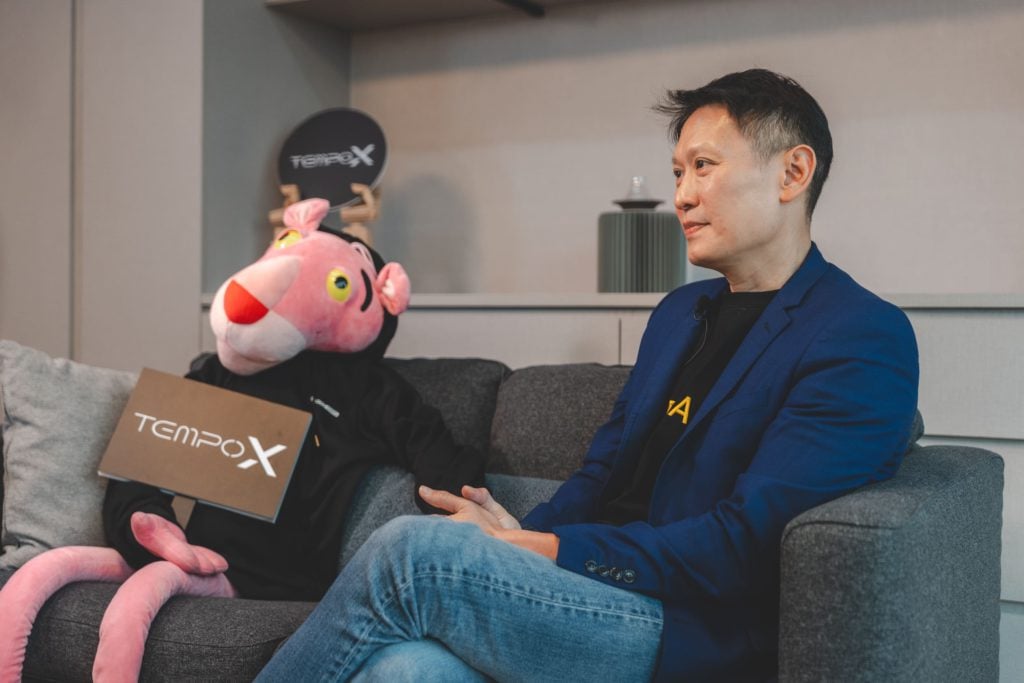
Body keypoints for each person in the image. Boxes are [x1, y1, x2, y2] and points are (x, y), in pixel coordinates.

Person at [254, 68, 919, 682]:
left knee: (409, 552)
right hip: (592, 592)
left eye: (703, 167)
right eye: (678, 171)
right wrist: (512, 531)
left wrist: (541, 547)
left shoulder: (859, 335)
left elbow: (744, 545)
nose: (682, 196)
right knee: (406, 671)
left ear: (792, 172)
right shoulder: (681, 313)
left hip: (689, 626)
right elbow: (602, 473)